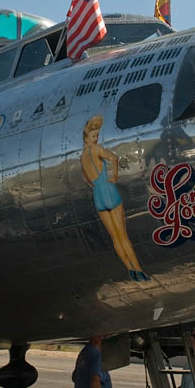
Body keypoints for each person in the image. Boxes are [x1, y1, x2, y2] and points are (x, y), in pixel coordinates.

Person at [80, 115, 148, 281]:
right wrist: (114, 176)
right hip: (109, 190)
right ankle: (139, 270)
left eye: (96, 136)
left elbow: (86, 179)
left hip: (98, 195)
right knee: (123, 235)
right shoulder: (96, 150)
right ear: (87, 137)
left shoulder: (82, 157)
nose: (96, 139)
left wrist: (95, 186)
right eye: (94, 136)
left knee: (115, 237)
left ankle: (130, 269)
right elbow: (114, 158)